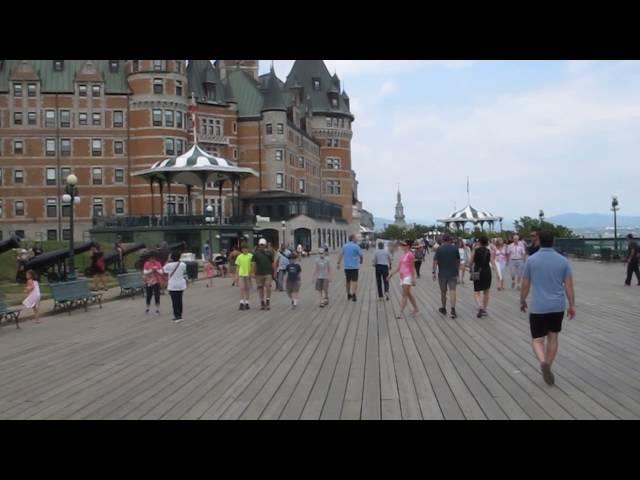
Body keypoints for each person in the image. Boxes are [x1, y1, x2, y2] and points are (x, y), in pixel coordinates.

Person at [520, 231, 576, 385]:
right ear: (553, 241)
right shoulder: (563, 261)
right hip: (557, 305)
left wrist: (522, 300)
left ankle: (543, 361)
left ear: (538, 240)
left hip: (538, 305)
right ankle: (548, 365)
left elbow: (525, 284)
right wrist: (572, 305)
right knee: (553, 337)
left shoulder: (531, 260)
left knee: (537, 339)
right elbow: (569, 286)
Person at [388, 240, 418, 318]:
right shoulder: (403, 255)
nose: (402, 246)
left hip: (408, 276)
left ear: (408, 246)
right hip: (402, 276)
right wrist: (391, 274)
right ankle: (416, 308)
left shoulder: (410, 255)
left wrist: (413, 278)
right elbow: (399, 267)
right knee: (408, 294)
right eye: (402, 245)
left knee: (404, 294)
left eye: (404, 245)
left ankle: (400, 312)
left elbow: (412, 267)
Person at [432, 233, 460, 319]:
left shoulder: (439, 249)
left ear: (443, 240)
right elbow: (458, 260)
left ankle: (443, 308)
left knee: (443, 292)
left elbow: (435, 261)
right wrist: (457, 270)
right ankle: (453, 309)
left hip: (442, 274)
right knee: (453, 290)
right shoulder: (455, 248)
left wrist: (434, 272)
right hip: (453, 273)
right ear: (450, 240)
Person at [470, 236, 494, 318]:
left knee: (476, 291)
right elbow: (492, 261)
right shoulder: (489, 250)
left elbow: (471, 261)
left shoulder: (475, 250)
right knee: (486, 291)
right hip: (487, 271)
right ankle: (484, 309)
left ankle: (480, 306)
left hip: (476, 271)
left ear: (479, 242)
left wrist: (470, 268)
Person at [337, 234, 363, 302]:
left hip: (347, 267)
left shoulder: (344, 246)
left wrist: (338, 263)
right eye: (356, 238)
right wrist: (361, 261)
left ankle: (348, 294)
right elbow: (361, 255)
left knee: (348, 281)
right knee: (354, 281)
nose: (357, 239)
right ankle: (354, 294)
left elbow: (341, 255)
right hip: (354, 267)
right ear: (353, 239)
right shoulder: (356, 246)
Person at [162, 251, 187, 322]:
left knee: (174, 301)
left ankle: (177, 316)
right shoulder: (183, 264)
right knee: (179, 300)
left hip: (173, 285)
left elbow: (163, 270)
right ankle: (180, 315)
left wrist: (167, 260)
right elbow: (184, 271)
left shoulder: (169, 265)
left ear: (172, 257)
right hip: (181, 284)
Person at [252, 238, 275, 310]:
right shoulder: (256, 254)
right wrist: (253, 272)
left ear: (265, 245)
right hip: (259, 273)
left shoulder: (269, 253)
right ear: (259, 245)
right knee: (260, 287)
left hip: (268, 272)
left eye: (263, 244)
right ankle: (262, 301)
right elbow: (253, 263)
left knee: (268, 286)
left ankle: (267, 300)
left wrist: (274, 272)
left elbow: (273, 262)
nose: (262, 246)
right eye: (261, 245)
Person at [235, 243, 253, 310]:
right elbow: (237, 267)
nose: (245, 250)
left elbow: (252, 265)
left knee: (247, 288)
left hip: (248, 274)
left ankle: (247, 303)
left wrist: (251, 273)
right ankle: (241, 302)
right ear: (242, 250)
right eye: (243, 249)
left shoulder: (250, 256)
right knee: (242, 288)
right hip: (241, 274)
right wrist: (236, 275)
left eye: (246, 249)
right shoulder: (239, 256)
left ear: (248, 249)